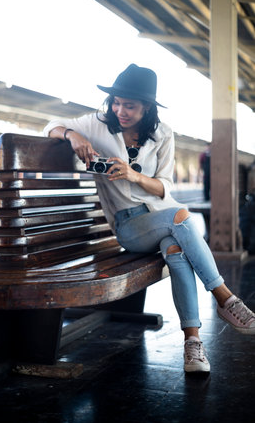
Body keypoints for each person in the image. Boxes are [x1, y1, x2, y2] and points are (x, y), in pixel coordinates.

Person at [44, 64, 255, 373]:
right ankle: (225, 298)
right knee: (182, 218)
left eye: (129, 105)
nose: (120, 110)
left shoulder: (163, 134)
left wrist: (133, 176)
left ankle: (192, 345)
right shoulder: (98, 123)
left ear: (147, 107)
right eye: (116, 102)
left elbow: (164, 187)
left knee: (175, 250)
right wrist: (71, 134)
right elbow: (51, 123)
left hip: (160, 217)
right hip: (129, 227)